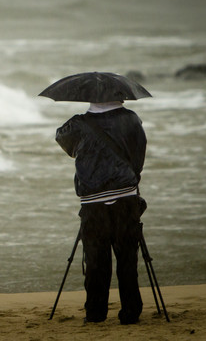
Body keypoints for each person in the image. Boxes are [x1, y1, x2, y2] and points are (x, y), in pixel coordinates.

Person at [55, 100, 147, 325]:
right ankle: (130, 313)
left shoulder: (78, 124)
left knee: (96, 261)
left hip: (92, 201)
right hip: (126, 198)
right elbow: (139, 153)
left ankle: (95, 313)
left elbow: (62, 138)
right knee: (127, 258)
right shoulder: (131, 119)